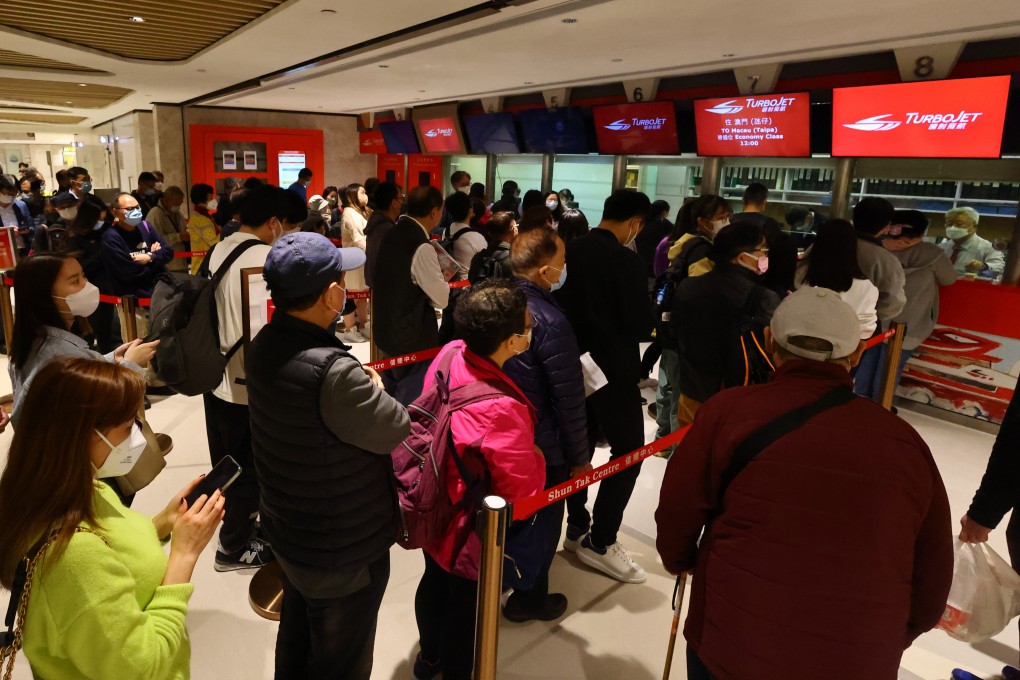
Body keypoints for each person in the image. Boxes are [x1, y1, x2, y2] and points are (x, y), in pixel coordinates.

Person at [655, 286, 953, 680]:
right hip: (858, 654)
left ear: (768, 342)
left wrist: (683, 561)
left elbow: (678, 510)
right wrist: (889, 635)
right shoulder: (904, 442)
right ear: (859, 352)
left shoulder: (728, 412)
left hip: (733, 639)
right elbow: (933, 570)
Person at [246, 232, 410, 680]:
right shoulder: (335, 373)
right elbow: (396, 427)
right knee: (342, 660)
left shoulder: (263, 344)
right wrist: (373, 386)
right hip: (344, 546)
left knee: (298, 640)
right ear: (333, 294)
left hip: (292, 528)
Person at [0, 357, 225, 680]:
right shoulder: (73, 558)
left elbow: (112, 541)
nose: (137, 435)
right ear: (84, 435)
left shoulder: (72, 488)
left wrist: (164, 521)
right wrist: (184, 555)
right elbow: (141, 666)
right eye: (127, 426)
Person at [413, 280, 545, 680]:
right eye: (525, 327)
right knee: (466, 608)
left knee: (433, 581)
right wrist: (537, 456)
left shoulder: (452, 352)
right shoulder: (501, 408)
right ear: (509, 342)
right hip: (468, 522)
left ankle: (427, 659)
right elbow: (521, 490)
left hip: (431, 494)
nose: (530, 331)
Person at [7, 253, 167, 503]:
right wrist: (129, 366)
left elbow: (77, 373)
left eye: (84, 276)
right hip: (86, 468)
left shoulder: (39, 339)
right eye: (74, 281)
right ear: (45, 295)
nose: (87, 287)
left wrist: (112, 357)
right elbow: (95, 398)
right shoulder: (53, 353)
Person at [555, 189, 654, 584]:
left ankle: (577, 525)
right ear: (635, 224)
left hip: (570, 366)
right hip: (612, 371)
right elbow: (638, 322)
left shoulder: (568, 250)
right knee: (630, 450)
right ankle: (602, 538)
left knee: (577, 448)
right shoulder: (626, 261)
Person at [502, 228, 589, 622]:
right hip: (542, 443)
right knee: (540, 521)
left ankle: (498, 577)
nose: (565, 268)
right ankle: (529, 597)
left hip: (499, 433)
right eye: (562, 262)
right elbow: (568, 398)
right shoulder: (551, 320)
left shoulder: (494, 303)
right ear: (544, 269)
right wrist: (579, 456)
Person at [203, 184, 288, 571]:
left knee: (228, 462)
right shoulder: (263, 259)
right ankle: (233, 547)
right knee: (249, 470)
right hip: (246, 387)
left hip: (217, 376)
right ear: (273, 221)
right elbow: (260, 329)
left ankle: (240, 533)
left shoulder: (222, 246)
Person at [671, 220, 780, 426]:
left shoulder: (688, 286)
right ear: (741, 257)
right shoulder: (763, 297)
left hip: (692, 392)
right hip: (737, 400)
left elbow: (676, 330)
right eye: (761, 250)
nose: (765, 255)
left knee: (689, 452)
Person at [373, 186, 450, 405]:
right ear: (434, 211)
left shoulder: (392, 232)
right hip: (412, 338)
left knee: (389, 394)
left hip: (387, 330)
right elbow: (441, 299)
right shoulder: (420, 245)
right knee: (412, 403)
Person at [882, 210, 957, 392]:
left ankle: (861, 404)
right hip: (911, 324)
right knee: (890, 372)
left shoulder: (877, 247)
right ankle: (879, 410)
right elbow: (949, 279)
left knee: (867, 365)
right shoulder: (933, 253)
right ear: (922, 234)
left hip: (876, 320)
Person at [850, 197, 907, 399]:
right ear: (886, 227)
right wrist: (869, 314)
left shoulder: (826, 245)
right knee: (844, 375)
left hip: (815, 318)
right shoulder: (884, 259)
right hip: (859, 330)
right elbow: (893, 301)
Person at [795, 219, 879, 340]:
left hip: (803, 338)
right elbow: (865, 327)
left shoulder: (803, 272)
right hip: (846, 344)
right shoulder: (867, 283)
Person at [733, 182, 797, 297]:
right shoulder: (769, 224)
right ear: (764, 202)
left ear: (743, 200)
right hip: (760, 279)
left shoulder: (731, 220)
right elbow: (776, 254)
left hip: (733, 273)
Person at [667, 194, 731, 277]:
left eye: (727, 217)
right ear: (702, 221)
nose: (727, 222)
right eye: (721, 218)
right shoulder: (701, 249)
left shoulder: (689, 242)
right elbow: (701, 285)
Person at [340, 183, 372, 343]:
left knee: (362, 296)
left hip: (362, 259)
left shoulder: (360, 212)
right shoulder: (350, 213)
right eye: (362, 192)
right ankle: (349, 328)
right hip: (353, 260)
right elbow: (359, 239)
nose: (365, 195)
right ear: (352, 195)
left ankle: (363, 324)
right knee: (351, 295)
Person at [941, 206, 1005, 278]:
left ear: (974, 227)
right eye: (949, 224)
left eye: (959, 224)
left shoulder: (989, 248)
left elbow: (997, 274)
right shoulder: (940, 248)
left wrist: (982, 268)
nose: (952, 228)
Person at [364, 181, 402, 289]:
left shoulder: (377, 223)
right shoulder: (387, 229)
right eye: (401, 198)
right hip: (385, 288)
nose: (402, 202)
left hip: (378, 285)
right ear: (394, 202)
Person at [146, 185, 189, 272]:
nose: (178, 207)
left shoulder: (177, 213)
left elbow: (183, 229)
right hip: (166, 266)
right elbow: (155, 242)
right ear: (166, 201)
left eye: (180, 204)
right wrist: (178, 237)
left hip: (181, 262)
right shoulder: (155, 214)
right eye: (176, 204)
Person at [468, 211, 517, 285]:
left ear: (490, 233)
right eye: (517, 226)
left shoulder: (478, 257)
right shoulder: (514, 260)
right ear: (513, 230)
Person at [447, 191, 487, 269]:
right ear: (470, 210)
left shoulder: (447, 230)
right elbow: (483, 263)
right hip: (468, 280)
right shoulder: (476, 237)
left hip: (449, 279)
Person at [635, 199, 671, 283]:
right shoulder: (663, 223)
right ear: (664, 212)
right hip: (654, 263)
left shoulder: (642, 221)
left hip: (639, 261)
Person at [187, 183, 219, 274]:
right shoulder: (201, 219)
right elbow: (214, 242)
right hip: (203, 266)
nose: (214, 201)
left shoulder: (202, 215)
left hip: (202, 264)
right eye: (210, 199)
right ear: (201, 200)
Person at [0, 174, 34, 255]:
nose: (11, 197)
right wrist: (7, 233)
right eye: (8, 194)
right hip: (3, 253)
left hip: (22, 251)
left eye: (14, 194)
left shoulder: (21, 205)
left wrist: (25, 231)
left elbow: (32, 228)